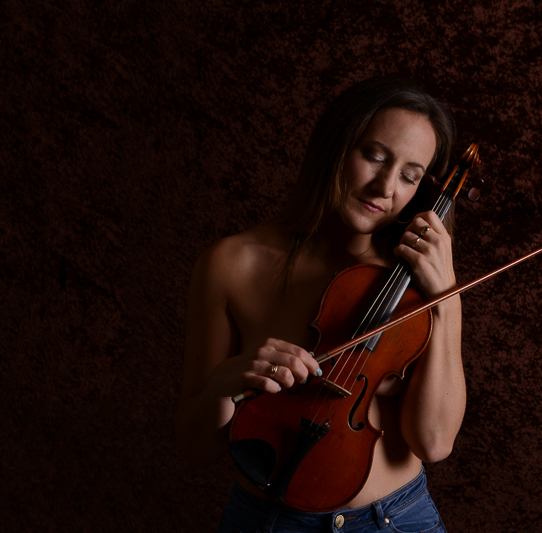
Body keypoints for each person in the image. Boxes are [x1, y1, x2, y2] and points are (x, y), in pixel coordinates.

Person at [176, 76, 466, 533]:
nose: (385, 187)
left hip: (395, 521)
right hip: (268, 523)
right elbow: (195, 447)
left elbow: (432, 442)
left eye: (409, 176)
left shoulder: (413, 283)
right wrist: (221, 386)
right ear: (335, 145)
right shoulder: (232, 264)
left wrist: (447, 300)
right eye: (373, 155)